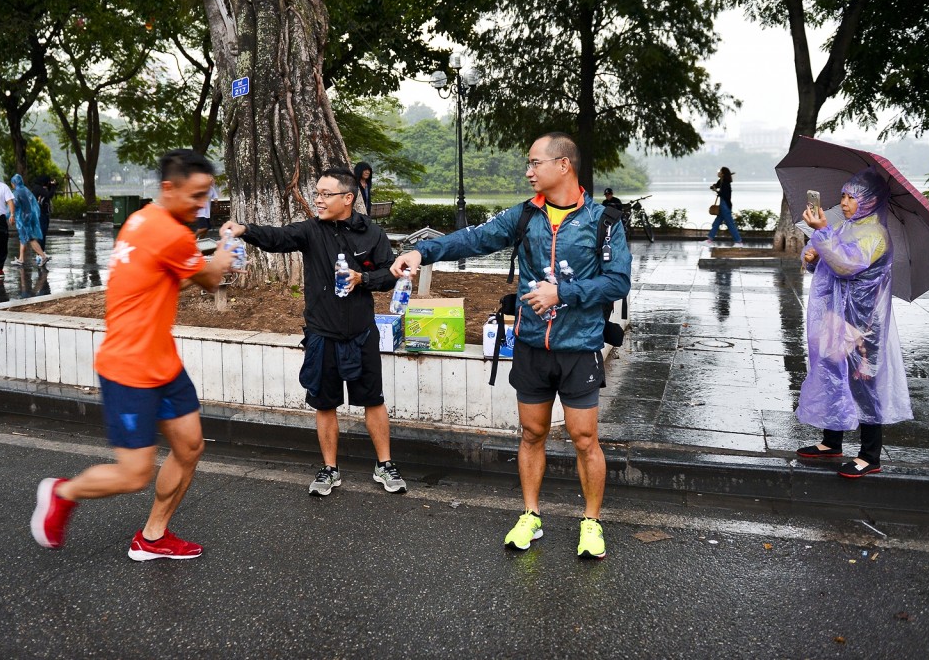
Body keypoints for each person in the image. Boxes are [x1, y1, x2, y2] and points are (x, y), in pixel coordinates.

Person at [390, 133, 631, 559]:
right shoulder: (524, 216)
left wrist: (563, 293)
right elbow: (472, 238)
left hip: (579, 346)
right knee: (532, 432)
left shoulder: (603, 221)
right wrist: (421, 253)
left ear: (563, 166)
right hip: (532, 344)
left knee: (584, 437)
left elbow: (618, 282)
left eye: (535, 162)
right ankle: (530, 515)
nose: (528, 171)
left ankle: (591, 523)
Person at [30, 150, 236, 559]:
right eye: (196, 196)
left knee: (190, 447)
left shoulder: (143, 218)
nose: (202, 205)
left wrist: (208, 264)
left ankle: (153, 537)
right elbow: (211, 278)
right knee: (133, 474)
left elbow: (169, 282)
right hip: (129, 366)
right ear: (168, 188)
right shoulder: (170, 234)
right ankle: (61, 491)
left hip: (162, 359)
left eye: (206, 196)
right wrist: (226, 249)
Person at [220, 167, 409, 498]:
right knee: (325, 403)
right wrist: (245, 230)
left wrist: (361, 279)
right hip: (322, 333)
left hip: (362, 332)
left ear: (348, 198)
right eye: (317, 193)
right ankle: (330, 468)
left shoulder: (372, 233)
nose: (318, 200)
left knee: (373, 400)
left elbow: (390, 274)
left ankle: (384, 464)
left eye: (326, 194)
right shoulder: (310, 231)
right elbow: (278, 238)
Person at [795, 168, 911, 479]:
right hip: (837, 316)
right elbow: (830, 261)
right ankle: (831, 441)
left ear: (870, 202)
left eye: (851, 197)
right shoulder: (846, 227)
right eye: (843, 196)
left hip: (864, 322)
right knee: (832, 371)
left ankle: (870, 455)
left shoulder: (875, 234)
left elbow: (846, 266)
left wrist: (821, 234)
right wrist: (813, 257)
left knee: (863, 381)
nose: (844, 203)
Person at [10, 174, 49, 268]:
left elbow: (14, 204)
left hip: (22, 218)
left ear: (14, 183)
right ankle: (21, 259)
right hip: (28, 217)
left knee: (30, 238)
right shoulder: (26, 190)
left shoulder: (17, 192)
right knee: (23, 237)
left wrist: (11, 214)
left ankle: (43, 256)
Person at [707, 166, 743, 245]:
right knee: (716, 223)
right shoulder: (722, 181)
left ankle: (739, 242)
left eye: (720, 171)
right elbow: (716, 185)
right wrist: (713, 187)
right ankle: (709, 240)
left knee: (730, 224)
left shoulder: (726, 183)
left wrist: (717, 191)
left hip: (725, 206)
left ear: (723, 174)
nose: (718, 172)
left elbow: (726, 195)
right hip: (722, 205)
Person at [34, 174, 56, 250]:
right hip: (40, 214)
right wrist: (53, 186)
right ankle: (40, 253)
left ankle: (41, 252)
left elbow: (49, 194)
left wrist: (52, 186)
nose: (49, 183)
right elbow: (49, 195)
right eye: (48, 181)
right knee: (41, 233)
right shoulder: (38, 188)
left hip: (44, 213)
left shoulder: (41, 188)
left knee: (44, 233)